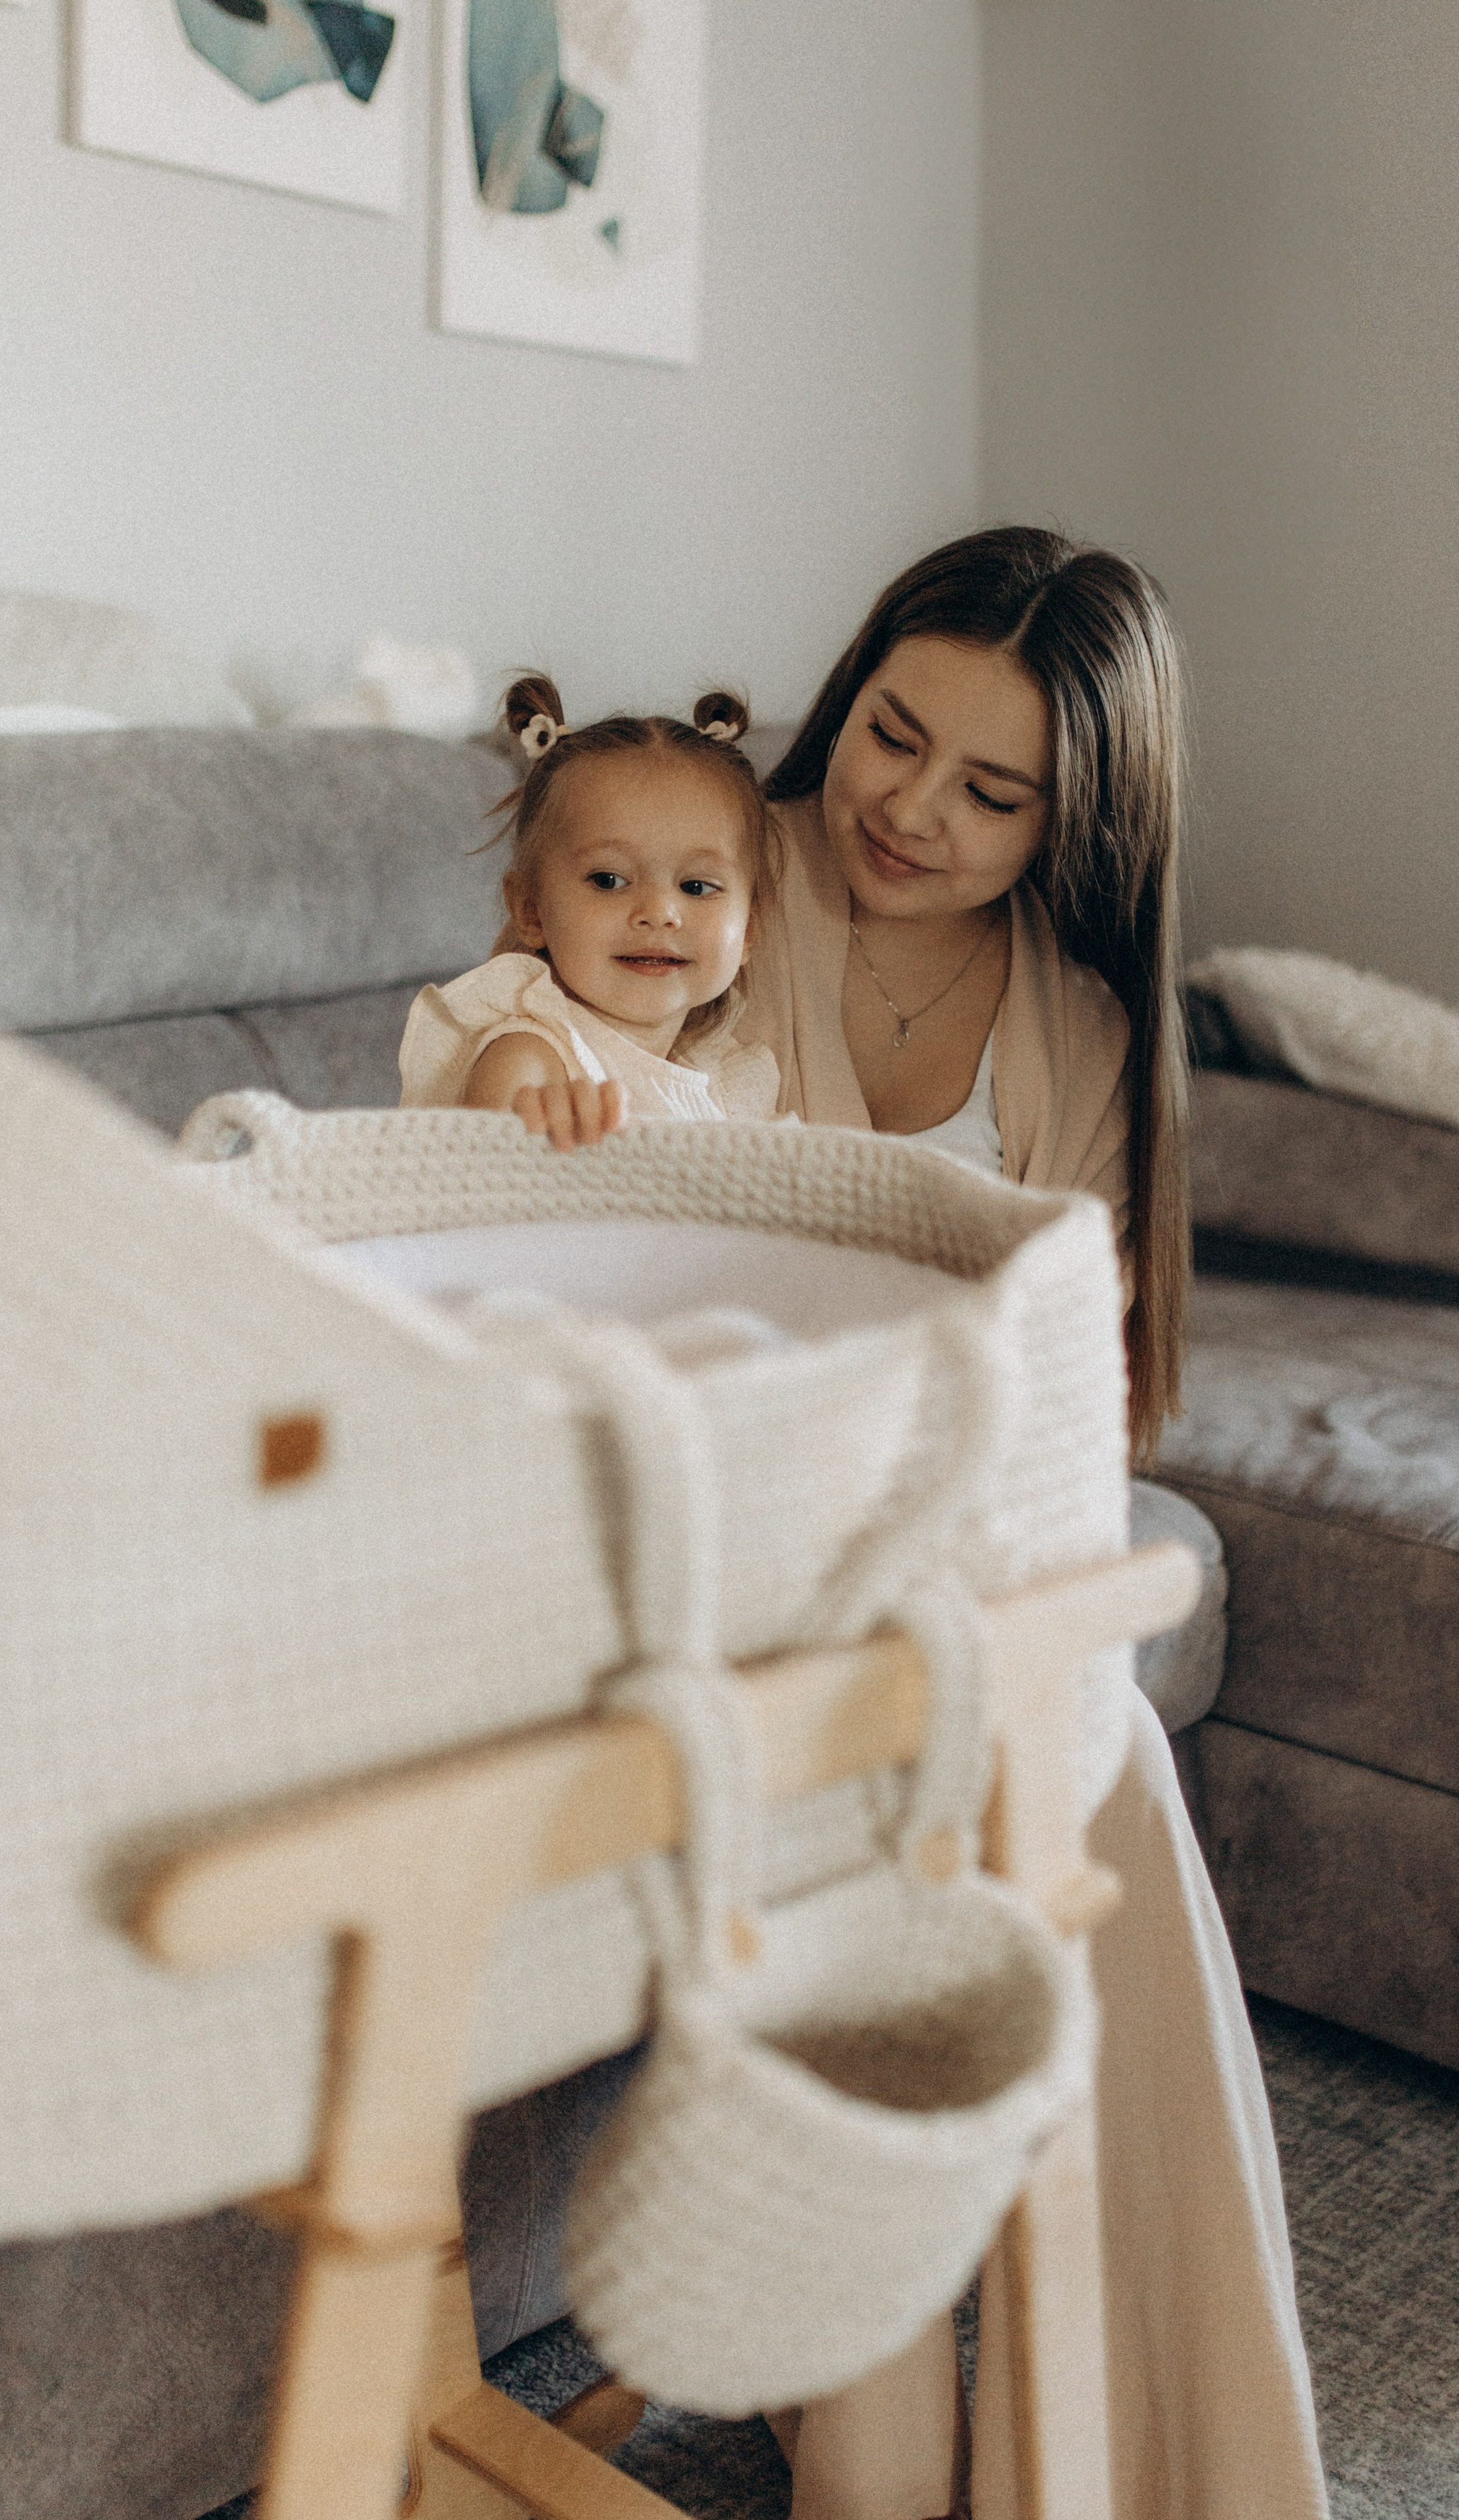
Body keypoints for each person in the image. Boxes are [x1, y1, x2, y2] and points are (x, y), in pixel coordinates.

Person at [741, 527, 1329, 2520]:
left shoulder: (1073, 1021)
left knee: (1085, 1752)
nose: (908, 807)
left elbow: (1072, 1390)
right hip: (731, 1545)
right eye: (892, 734)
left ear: (1078, 825)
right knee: (1042, 1765)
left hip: (938, 1558)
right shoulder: (706, 869)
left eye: (991, 793)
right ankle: (1005, 2442)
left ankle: (1104, 2449)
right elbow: (532, 1092)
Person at [398, 674, 780, 1144]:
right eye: (609, 880)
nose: (659, 912)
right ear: (532, 910)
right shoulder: (532, 1060)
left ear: (749, 931)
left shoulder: (726, 1079)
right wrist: (532, 1137)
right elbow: (482, 1195)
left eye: (697, 886)